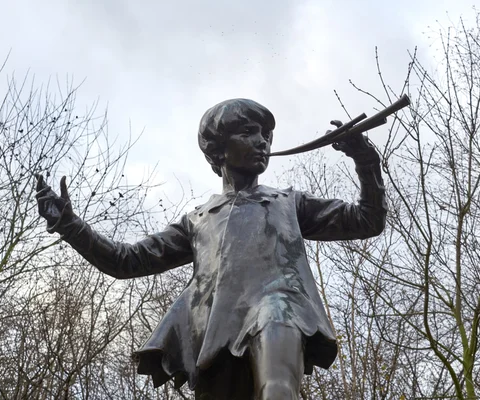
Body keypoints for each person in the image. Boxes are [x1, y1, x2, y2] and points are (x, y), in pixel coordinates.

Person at [36, 98, 387, 400]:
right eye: (248, 132)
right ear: (217, 150)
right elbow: (126, 261)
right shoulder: (198, 221)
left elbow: (367, 220)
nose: (261, 142)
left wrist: (365, 161)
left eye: (265, 135)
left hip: (280, 307)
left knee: (278, 388)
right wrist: (70, 226)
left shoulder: (289, 204)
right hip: (217, 327)